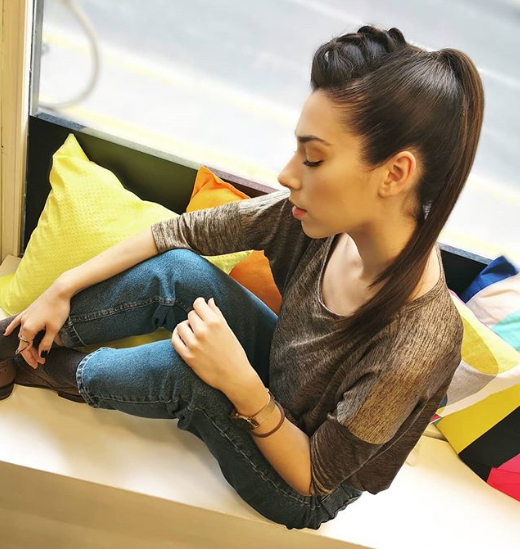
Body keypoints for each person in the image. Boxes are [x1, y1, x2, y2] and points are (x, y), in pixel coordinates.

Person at [0, 25, 484, 530]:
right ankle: (18, 335)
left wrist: (238, 381)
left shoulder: (418, 343)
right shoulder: (324, 217)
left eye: (314, 158)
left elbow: (314, 477)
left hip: (298, 478)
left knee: (186, 371)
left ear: (395, 174)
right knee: (180, 269)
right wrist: (62, 288)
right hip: (277, 376)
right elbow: (178, 233)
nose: (288, 174)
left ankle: (49, 368)